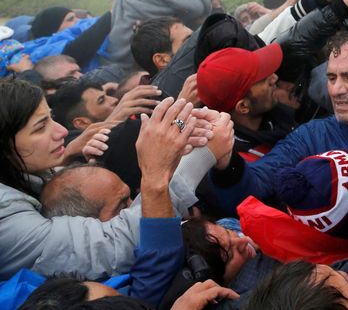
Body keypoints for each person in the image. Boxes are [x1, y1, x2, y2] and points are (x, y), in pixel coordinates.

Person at [0, 78, 231, 281]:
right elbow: (112, 247)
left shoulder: (25, 171)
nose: (61, 131)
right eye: (40, 127)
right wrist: (198, 157)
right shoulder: (6, 223)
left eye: (51, 118)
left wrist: (67, 163)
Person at [208, 29, 348, 216]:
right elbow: (254, 186)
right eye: (332, 78)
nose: (336, 90)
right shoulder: (311, 137)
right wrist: (226, 164)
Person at [197, 44, 295, 162]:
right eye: (263, 79)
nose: (274, 77)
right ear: (243, 106)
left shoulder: (277, 118)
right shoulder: (243, 163)